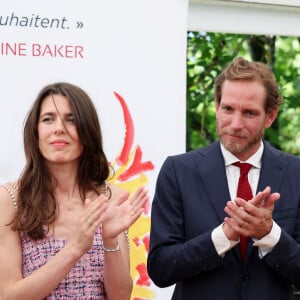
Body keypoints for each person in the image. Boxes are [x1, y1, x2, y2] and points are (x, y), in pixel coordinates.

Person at [147, 57, 300, 299]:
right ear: (217, 105)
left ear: (270, 117)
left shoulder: (295, 173)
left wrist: (269, 234)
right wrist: (223, 237)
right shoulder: (178, 171)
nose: (235, 124)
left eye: (249, 113)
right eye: (228, 109)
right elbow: (161, 269)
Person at [0, 82, 149, 300]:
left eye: (71, 119)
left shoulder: (111, 198)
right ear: (35, 132)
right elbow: (8, 296)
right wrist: (75, 248)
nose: (59, 128)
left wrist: (109, 239)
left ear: (87, 131)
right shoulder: (11, 199)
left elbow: (120, 296)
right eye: (48, 119)